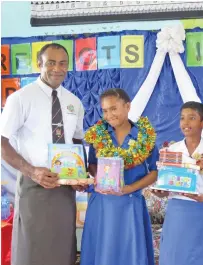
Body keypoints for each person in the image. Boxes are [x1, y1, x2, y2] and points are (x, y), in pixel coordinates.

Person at [0, 43, 85, 265]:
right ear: (39, 64)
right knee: (31, 251)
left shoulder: (74, 102)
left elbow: (76, 140)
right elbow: (2, 142)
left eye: (63, 63)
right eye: (51, 63)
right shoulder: (20, 99)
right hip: (33, 186)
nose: (57, 68)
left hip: (65, 190)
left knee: (62, 250)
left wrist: (79, 174)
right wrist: (32, 171)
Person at [81, 88, 159, 265]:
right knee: (102, 250)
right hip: (102, 203)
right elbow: (92, 164)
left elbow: (154, 172)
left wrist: (130, 188)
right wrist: (100, 177)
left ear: (128, 106)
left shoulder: (144, 136)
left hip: (130, 203)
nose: (109, 115)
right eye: (105, 110)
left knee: (130, 252)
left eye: (114, 108)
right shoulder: (99, 134)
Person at [152, 101, 203, 265]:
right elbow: (164, 184)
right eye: (182, 118)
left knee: (198, 255)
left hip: (199, 211)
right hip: (175, 212)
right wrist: (161, 191)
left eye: (191, 118)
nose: (185, 123)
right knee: (173, 255)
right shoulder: (171, 150)